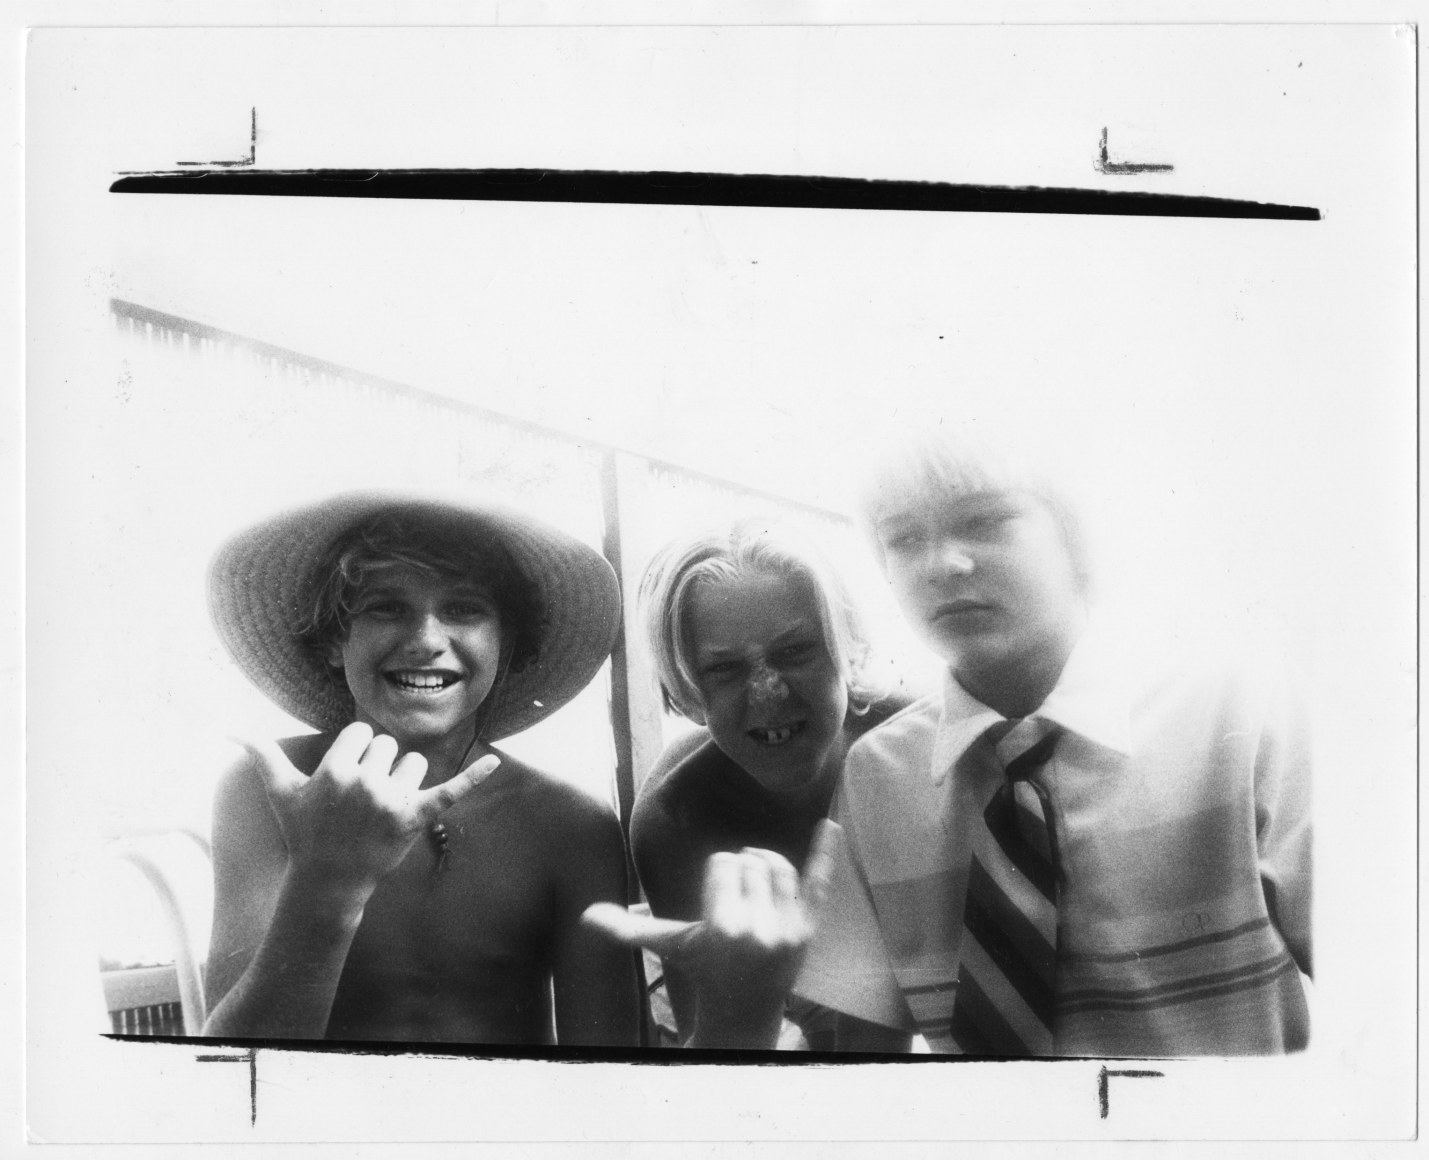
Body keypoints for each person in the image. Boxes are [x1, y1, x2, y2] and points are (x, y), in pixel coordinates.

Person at [792, 428, 1313, 1056]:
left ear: (1077, 541)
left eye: (984, 521)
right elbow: (862, 1049)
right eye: (902, 539)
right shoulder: (879, 775)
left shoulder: (1236, 714)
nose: (939, 565)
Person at [202, 491, 641, 1046]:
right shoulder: (267, 788)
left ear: (506, 644)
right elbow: (231, 1069)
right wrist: (327, 882)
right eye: (386, 607)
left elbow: (612, 1072)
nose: (427, 641)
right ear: (336, 638)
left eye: (464, 609)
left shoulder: (570, 823)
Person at [625, 521, 907, 1048]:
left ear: (848, 644)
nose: (768, 692)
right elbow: (716, 1042)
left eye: (796, 651)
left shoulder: (917, 740)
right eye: (726, 669)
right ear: (687, 688)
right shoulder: (678, 814)